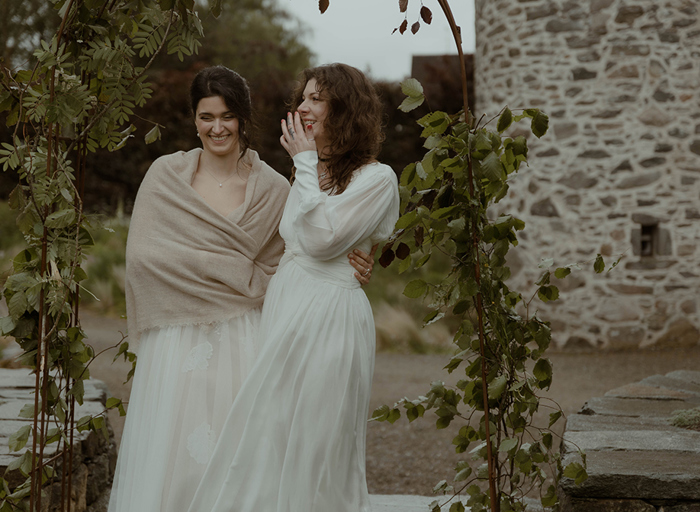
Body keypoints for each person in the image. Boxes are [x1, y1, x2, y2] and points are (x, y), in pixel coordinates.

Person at [108, 65, 376, 512]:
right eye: (206, 116)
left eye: (227, 116)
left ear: (243, 119)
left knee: (242, 461)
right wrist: (228, 270)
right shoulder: (166, 177)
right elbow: (145, 259)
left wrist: (358, 262)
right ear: (193, 120)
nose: (217, 127)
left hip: (246, 335)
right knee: (174, 461)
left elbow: (299, 251)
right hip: (177, 337)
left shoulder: (274, 187)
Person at [187, 63, 400, 512]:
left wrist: (303, 163)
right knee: (272, 428)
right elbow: (292, 243)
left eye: (316, 98)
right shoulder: (306, 173)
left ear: (344, 109)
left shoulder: (377, 178)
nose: (302, 107)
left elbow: (324, 240)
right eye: (302, 98)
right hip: (287, 304)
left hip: (330, 315)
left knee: (319, 437)